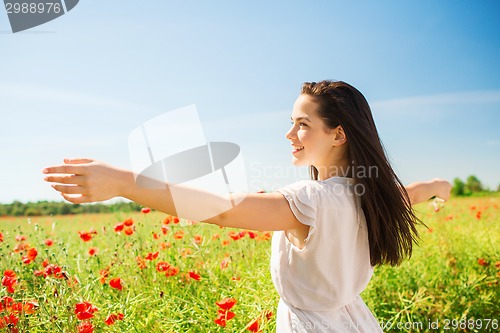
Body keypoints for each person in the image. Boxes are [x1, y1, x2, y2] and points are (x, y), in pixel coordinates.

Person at [43, 80, 452, 332]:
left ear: (338, 134)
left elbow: (224, 210)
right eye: (292, 121)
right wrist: (439, 185)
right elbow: (412, 191)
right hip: (356, 323)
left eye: (303, 124)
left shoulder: (310, 201)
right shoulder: (372, 193)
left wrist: (123, 182)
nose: (289, 133)